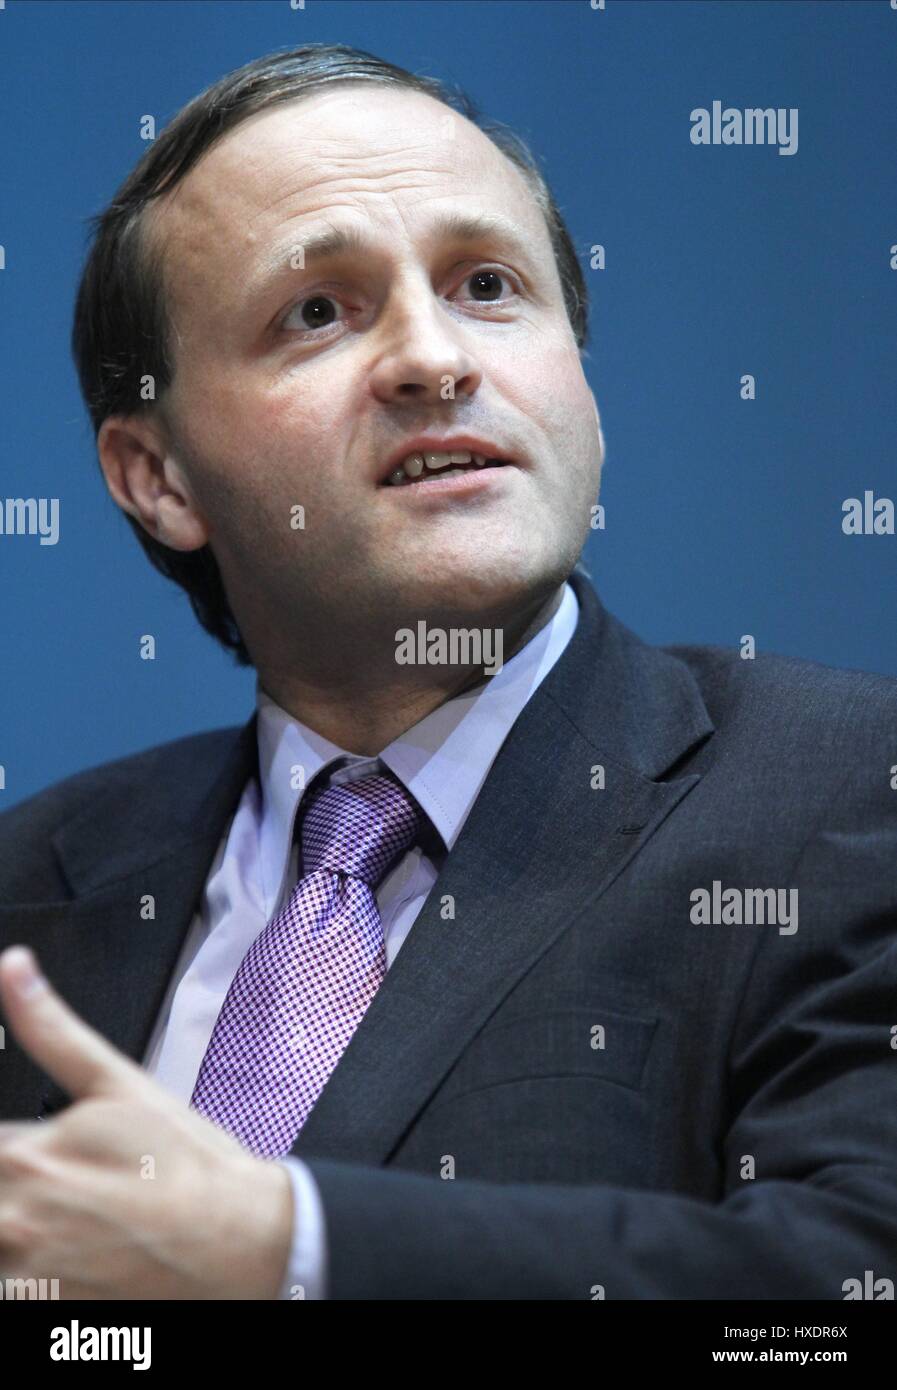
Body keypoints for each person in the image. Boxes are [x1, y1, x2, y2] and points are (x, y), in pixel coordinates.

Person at [0, 43, 895, 1301]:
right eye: (318, 310)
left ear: (580, 389)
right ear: (160, 476)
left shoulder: (848, 794)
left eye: (488, 286)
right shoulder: (30, 884)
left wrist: (285, 1250)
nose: (434, 359)